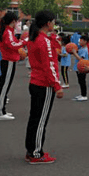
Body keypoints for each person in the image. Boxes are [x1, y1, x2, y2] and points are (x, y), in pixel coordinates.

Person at [24, 10, 63, 164]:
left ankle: (31, 150)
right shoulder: (43, 40)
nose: (54, 24)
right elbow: (50, 65)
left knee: (34, 119)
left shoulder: (34, 38)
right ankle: (36, 153)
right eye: (53, 22)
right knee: (40, 121)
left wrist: (52, 38)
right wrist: (57, 85)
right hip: (44, 84)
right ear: (48, 23)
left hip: (35, 81)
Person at [0, 11, 25, 120]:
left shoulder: (8, 31)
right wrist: (24, 42)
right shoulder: (8, 31)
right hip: (8, 61)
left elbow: (14, 42)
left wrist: (20, 41)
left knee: (3, 86)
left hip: (8, 60)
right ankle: (0, 112)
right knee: (4, 87)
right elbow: (13, 45)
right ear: (13, 21)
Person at [70, 34, 89, 101]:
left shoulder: (84, 50)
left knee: (82, 82)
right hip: (79, 67)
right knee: (80, 81)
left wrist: (74, 53)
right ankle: (82, 94)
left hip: (82, 68)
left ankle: (84, 95)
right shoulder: (81, 48)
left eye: (81, 41)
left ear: (85, 41)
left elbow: (81, 59)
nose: (79, 42)